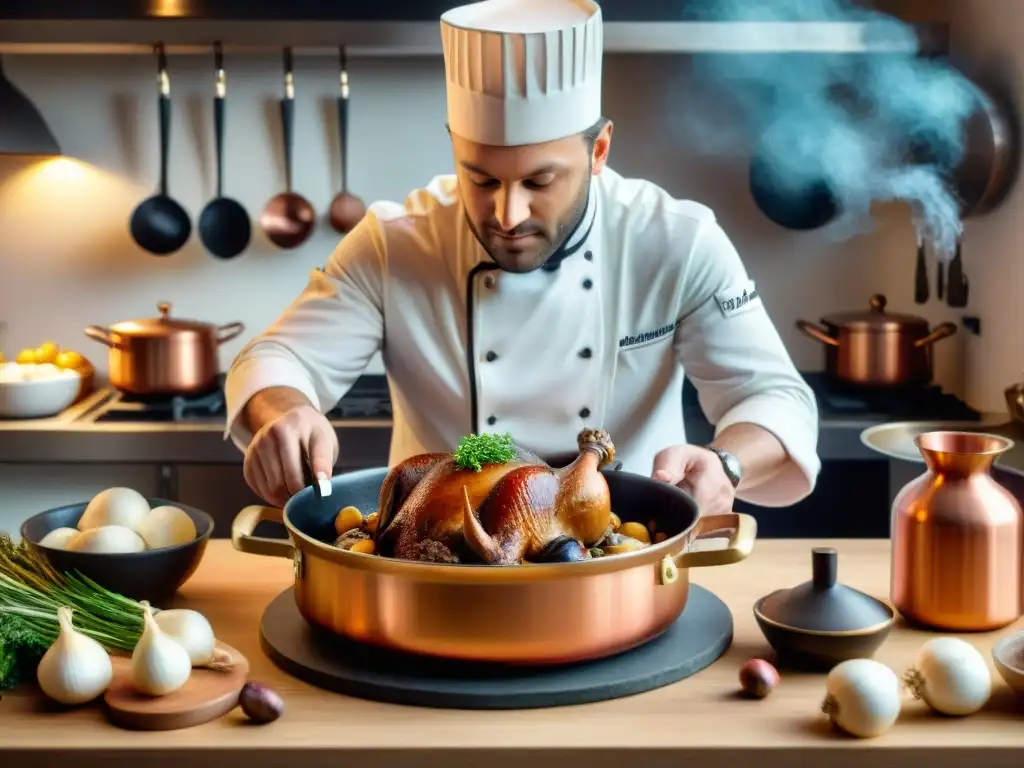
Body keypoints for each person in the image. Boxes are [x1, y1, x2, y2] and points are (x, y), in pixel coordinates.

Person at [224, 0, 820, 520]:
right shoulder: (394, 242)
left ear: (599, 151)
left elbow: (772, 395)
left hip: (627, 558)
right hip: (433, 566)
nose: (507, 214)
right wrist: (286, 411)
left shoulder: (675, 240)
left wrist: (726, 462)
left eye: (539, 181)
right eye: (480, 179)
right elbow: (277, 359)